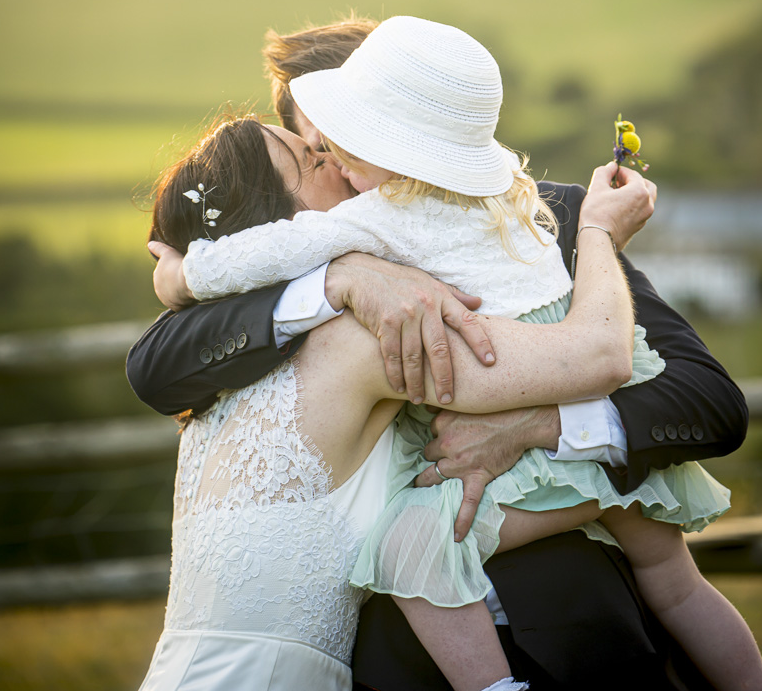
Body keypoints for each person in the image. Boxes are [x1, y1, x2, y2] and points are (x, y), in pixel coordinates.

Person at [127, 15, 750, 691]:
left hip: (567, 626)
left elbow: (708, 401)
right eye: (315, 147)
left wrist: (541, 430)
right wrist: (340, 279)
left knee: (671, 583)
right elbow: (156, 365)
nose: (334, 160)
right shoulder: (330, 268)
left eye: (337, 140)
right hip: (385, 657)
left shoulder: (547, 216)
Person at [134, 113, 640, 691]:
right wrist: (597, 232)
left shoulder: (223, 368)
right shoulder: (368, 337)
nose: (336, 157)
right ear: (284, 225)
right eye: (314, 161)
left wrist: (185, 275)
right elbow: (597, 353)